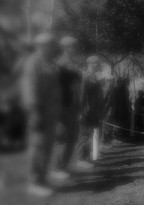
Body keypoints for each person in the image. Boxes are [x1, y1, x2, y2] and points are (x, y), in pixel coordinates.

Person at [21, 33, 62, 196]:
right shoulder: (34, 62)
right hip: (39, 112)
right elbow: (30, 88)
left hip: (51, 113)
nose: (52, 48)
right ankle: (34, 181)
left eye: (52, 45)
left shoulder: (50, 63)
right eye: (49, 45)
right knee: (37, 147)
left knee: (47, 146)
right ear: (41, 46)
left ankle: (43, 178)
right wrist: (34, 111)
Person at [55, 36, 83, 177]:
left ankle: (65, 166)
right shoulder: (59, 65)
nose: (76, 49)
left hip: (72, 106)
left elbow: (77, 87)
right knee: (62, 138)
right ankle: (57, 168)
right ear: (65, 48)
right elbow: (55, 88)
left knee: (72, 138)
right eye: (73, 46)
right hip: (63, 106)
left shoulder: (73, 65)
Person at [75, 55, 104, 169]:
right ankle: (81, 159)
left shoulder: (94, 77)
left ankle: (86, 158)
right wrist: (80, 111)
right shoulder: (85, 76)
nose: (97, 65)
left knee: (89, 135)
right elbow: (81, 94)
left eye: (98, 63)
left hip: (93, 110)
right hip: (86, 110)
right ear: (90, 64)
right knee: (84, 135)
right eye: (95, 63)